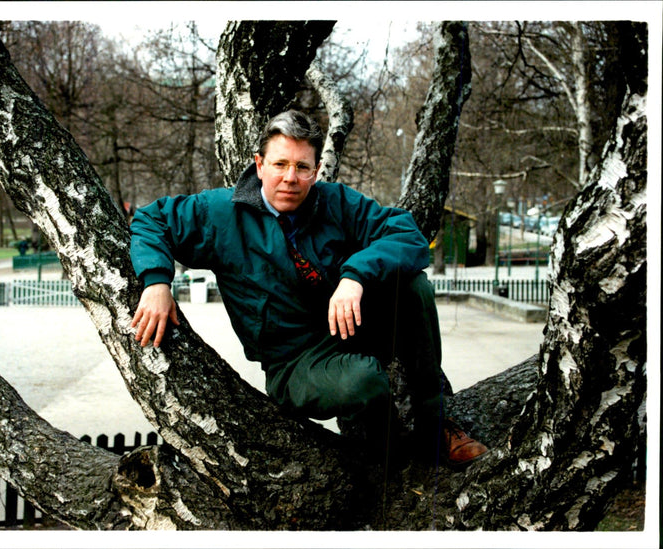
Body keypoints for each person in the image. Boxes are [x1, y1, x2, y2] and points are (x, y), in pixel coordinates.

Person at [130, 110, 487, 467]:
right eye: (280, 164)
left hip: (349, 327)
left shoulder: (335, 202)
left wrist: (355, 276)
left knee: (413, 286)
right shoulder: (222, 213)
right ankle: (390, 462)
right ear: (259, 165)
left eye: (302, 167)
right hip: (295, 362)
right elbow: (151, 219)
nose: (290, 178)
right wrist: (157, 282)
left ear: (315, 171)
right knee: (364, 383)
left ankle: (434, 425)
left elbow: (408, 235)